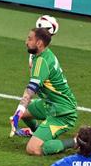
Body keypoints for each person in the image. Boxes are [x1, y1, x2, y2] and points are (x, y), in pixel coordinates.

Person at [10, 28, 78, 156]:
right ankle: (37, 133)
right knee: (24, 113)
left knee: (33, 149)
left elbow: (30, 90)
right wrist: (20, 113)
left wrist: (19, 110)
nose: (26, 42)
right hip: (50, 104)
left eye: (30, 39)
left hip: (62, 113)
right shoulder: (43, 55)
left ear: (39, 43)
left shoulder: (42, 61)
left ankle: (76, 142)